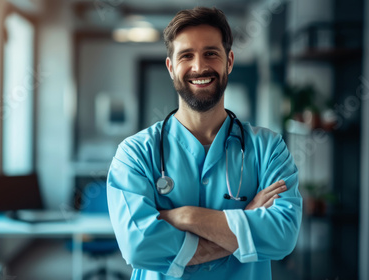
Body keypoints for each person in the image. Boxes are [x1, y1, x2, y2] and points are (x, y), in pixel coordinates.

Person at [106, 6, 302, 280]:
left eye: (211, 53)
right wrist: (246, 223)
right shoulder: (136, 153)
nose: (199, 67)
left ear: (229, 61)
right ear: (171, 67)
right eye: (187, 55)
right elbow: (139, 247)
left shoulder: (268, 148)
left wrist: (187, 217)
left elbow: (281, 236)